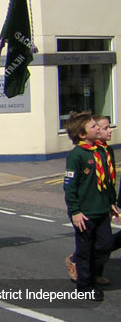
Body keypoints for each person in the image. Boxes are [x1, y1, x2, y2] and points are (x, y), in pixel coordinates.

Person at [63, 112, 117, 301]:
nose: (98, 128)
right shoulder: (77, 155)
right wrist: (75, 211)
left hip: (102, 209)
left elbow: (108, 181)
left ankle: (90, 274)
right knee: (85, 250)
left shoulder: (100, 151)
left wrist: (112, 203)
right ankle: (85, 286)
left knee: (105, 244)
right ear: (82, 134)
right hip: (85, 213)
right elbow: (69, 187)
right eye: (94, 126)